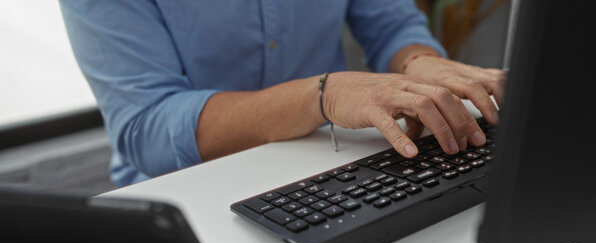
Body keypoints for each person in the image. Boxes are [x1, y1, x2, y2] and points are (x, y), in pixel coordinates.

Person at [59, 0, 505, 186]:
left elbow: (389, 21)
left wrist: (418, 62)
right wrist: (322, 96)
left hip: (327, 159)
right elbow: (147, 128)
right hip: (188, 182)